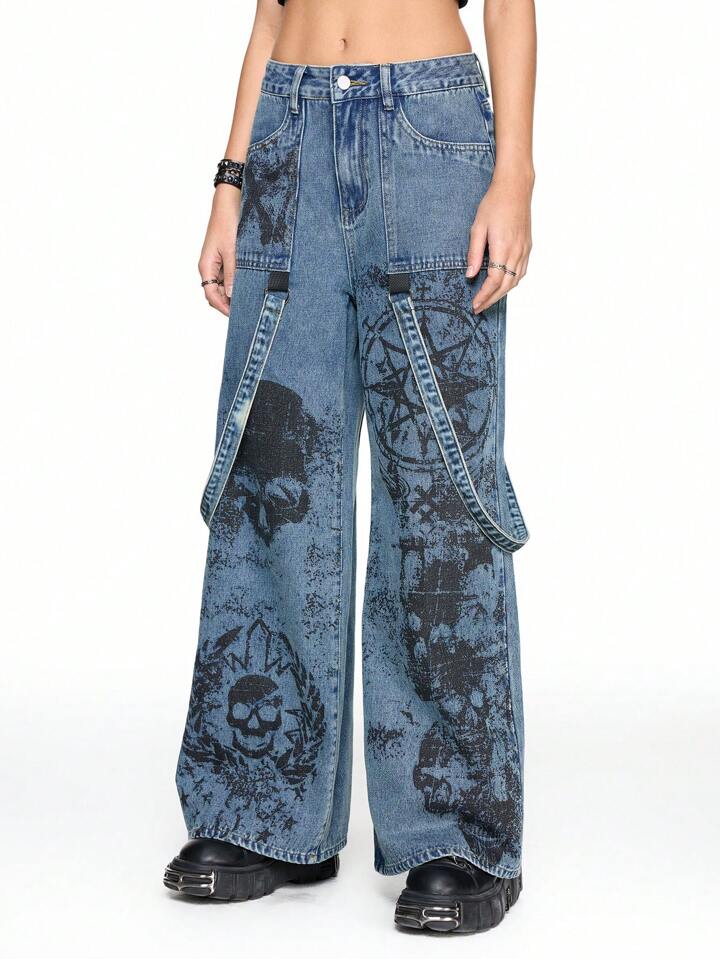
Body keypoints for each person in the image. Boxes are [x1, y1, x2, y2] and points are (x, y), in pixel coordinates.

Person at [164, 0, 536, 935]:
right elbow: (269, 16)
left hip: (429, 133)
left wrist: (515, 174)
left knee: (439, 489)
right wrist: (229, 182)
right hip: (287, 132)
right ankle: (265, 811)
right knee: (271, 478)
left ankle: (457, 830)